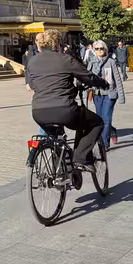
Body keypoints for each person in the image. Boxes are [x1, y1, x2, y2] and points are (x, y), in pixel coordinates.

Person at [28, 29, 108, 167]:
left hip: (39, 111)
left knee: (57, 140)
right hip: (64, 110)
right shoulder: (66, 59)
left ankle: (61, 166)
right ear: (58, 43)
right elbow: (88, 77)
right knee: (97, 123)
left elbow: (33, 84)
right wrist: (103, 83)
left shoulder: (32, 61)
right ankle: (80, 158)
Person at [89, 41, 126, 149]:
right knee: (100, 120)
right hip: (97, 94)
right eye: (97, 49)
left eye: (101, 48)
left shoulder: (111, 62)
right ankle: (112, 131)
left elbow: (118, 79)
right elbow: (88, 77)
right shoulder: (92, 62)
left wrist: (121, 96)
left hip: (110, 94)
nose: (99, 50)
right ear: (94, 51)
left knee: (106, 118)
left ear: (105, 49)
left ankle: (104, 144)